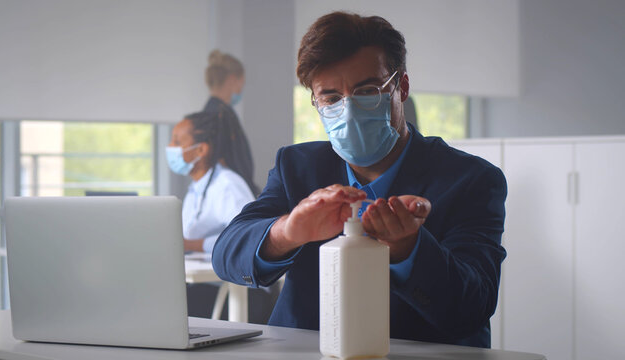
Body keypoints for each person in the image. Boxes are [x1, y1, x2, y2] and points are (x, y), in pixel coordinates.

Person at [212, 12, 507, 348]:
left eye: (367, 90)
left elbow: (473, 306)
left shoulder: (470, 180)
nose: (348, 109)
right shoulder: (298, 167)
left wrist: (410, 250)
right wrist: (288, 231)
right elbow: (226, 254)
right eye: (331, 97)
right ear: (315, 101)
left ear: (402, 87)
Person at [166, 111, 254, 253]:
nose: (170, 146)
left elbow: (245, 236)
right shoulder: (195, 187)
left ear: (201, 149)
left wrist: (188, 245)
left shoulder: (228, 184)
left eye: (177, 142)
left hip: (219, 274)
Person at [203, 50, 258, 195]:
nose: (241, 89)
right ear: (233, 79)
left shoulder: (214, 111)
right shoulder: (221, 114)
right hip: (231, 192)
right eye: (242, 83)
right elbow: (229, 160)